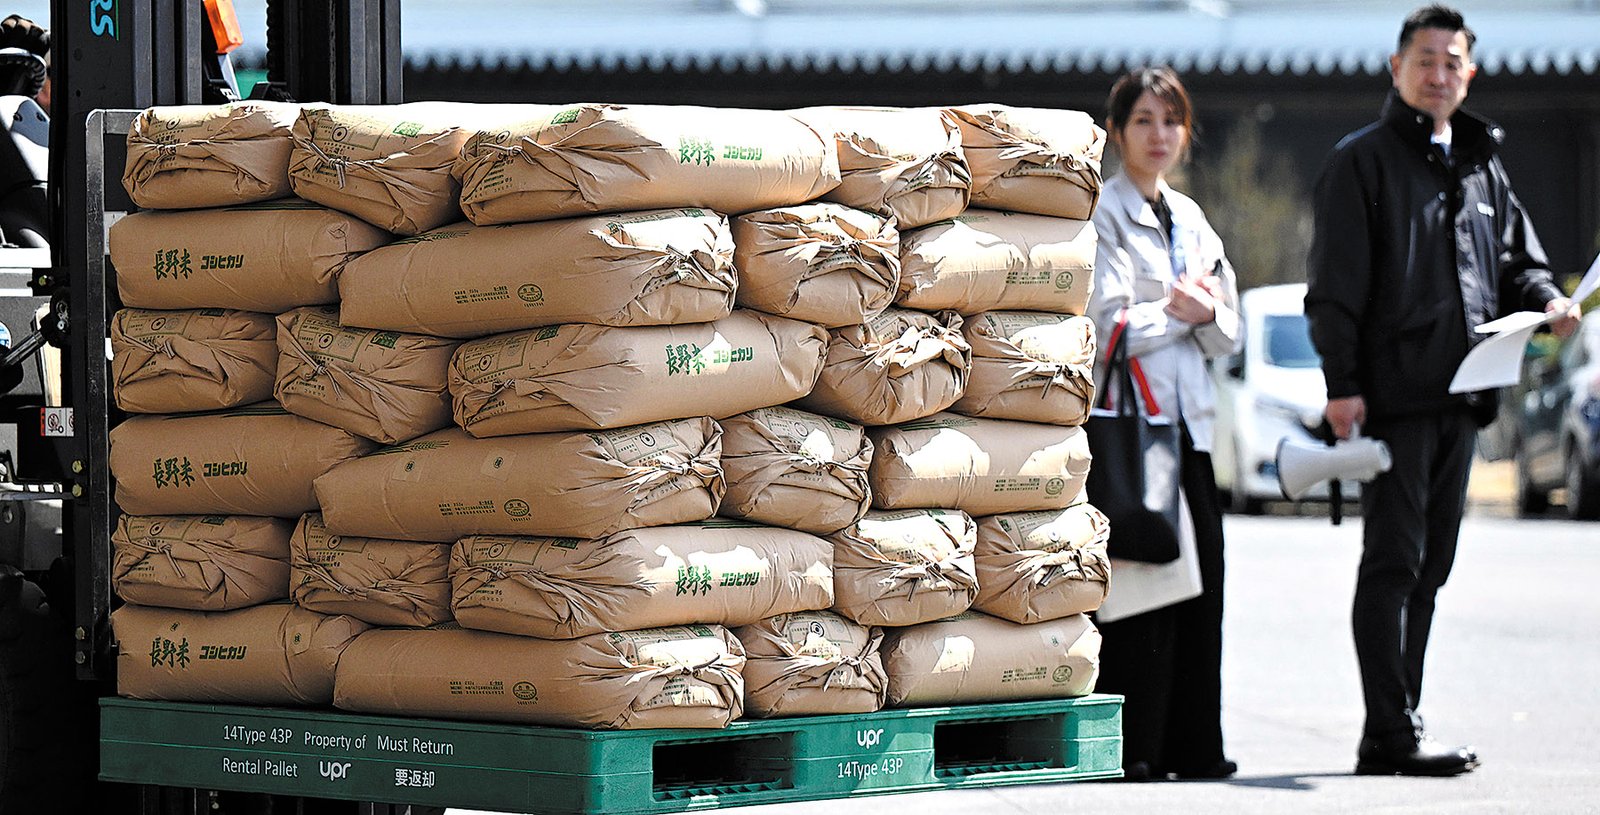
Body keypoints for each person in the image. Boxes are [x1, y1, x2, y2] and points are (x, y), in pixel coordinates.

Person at [1305, 3, 1581, 778]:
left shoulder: (1481, 163)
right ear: (1397, 68)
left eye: (1452, 61)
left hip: (1465, 398)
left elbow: (1518, 264)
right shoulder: (1360, 163)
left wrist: (1550, 302)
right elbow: (1334, 289)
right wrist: (1343, 385)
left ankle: (1399, 721)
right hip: (1394, 400)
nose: (1438, 74)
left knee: (1432, 567)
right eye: (1424, 59)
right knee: (1392, 562)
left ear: (1471, 72)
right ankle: (1388, 731)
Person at [1088, 66, 1241, 782]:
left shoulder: (1193, 217)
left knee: (1203, 584)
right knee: (1141, 588)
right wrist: (1179, 311)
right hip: (1131, 427)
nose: (1159, 135)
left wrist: (1201, 313)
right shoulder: (1106, 211)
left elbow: (1228, 329)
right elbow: (1105, 321)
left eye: (1171, 121)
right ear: (1116, 130)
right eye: (1144, 120)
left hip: (1193, 432)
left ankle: (1194, 746)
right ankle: (1133, 748)